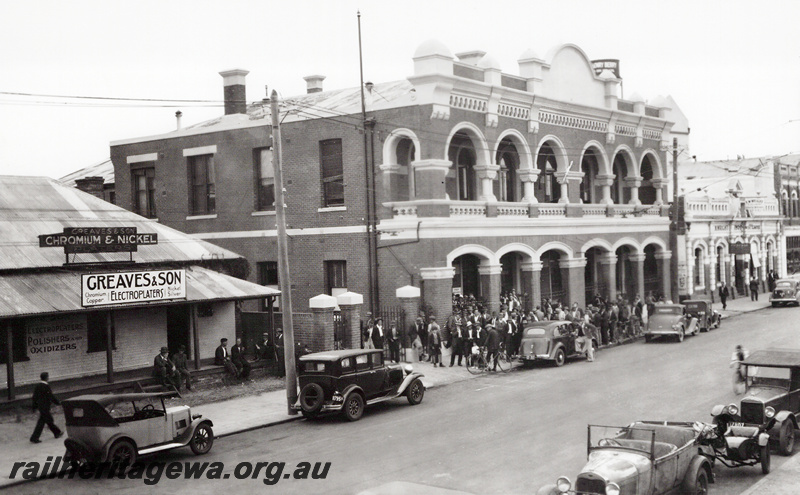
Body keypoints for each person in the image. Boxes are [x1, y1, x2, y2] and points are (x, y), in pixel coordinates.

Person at [30, 372, 62, 443]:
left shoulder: (38, 386)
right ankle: (57, 433)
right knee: (47, 420)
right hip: (45, 407)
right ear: (47, 378)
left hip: (41, 407)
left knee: (45, 421)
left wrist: (34, 407)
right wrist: (58, 403)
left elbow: (34, 397)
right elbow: (51, 396)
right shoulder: (46, 386)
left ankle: (56, 433)